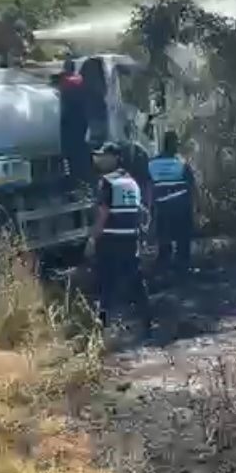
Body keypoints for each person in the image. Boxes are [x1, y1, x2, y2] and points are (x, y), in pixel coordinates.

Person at [88, 143, 151, 336]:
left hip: (111, 240)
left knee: (106, 282)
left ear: (114, 158)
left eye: (103, 155)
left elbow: (103, 213)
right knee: (136, 281)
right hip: (130, 239)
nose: (99, 159)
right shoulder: (131, 181)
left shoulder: (107, 182)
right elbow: (142, 211)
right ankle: (147, 320)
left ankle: (102, 326)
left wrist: (92, 240)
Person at [147, 131, 196, 275]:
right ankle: (183, 267)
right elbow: (191, 185)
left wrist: (150, 206)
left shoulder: (152, 163)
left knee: (164, 237)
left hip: (161, 206)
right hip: (181, 205)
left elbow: (149, 185)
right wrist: (195, 206)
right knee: (183, 238)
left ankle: (164, 265)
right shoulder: (181, 162)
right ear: (175, 145)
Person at [57, 58, 91, 185]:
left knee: (69, 151)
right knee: (80, 148)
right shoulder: (79, 79)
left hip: (69, 121)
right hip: (82, 119)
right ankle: (83, 176)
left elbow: (62, 101)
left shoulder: (65, 81)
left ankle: (72, 178)